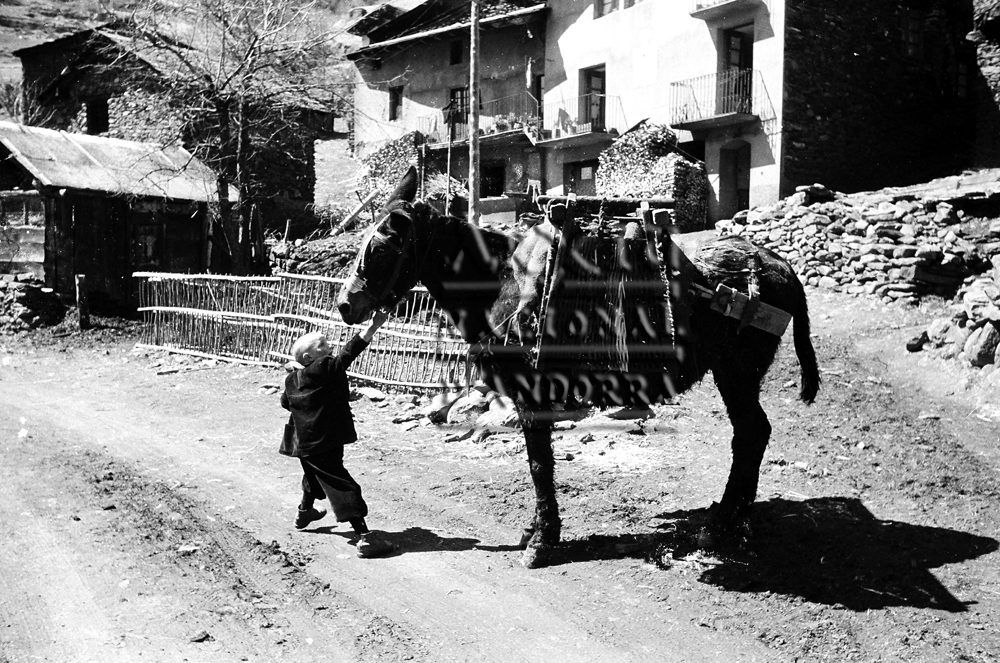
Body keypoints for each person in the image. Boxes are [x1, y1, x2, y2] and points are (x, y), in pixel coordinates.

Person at [280, 311, 394, 558]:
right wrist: (373, 327)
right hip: (323, 440)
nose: (329, 346)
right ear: (310, 357)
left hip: (304, 443)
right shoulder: (323, 367)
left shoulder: (292, 379)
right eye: (322, 345)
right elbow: (348, 353)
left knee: (315, 474)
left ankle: (304, 512)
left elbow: (285, 403)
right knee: (340, 483)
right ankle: (364, 537)